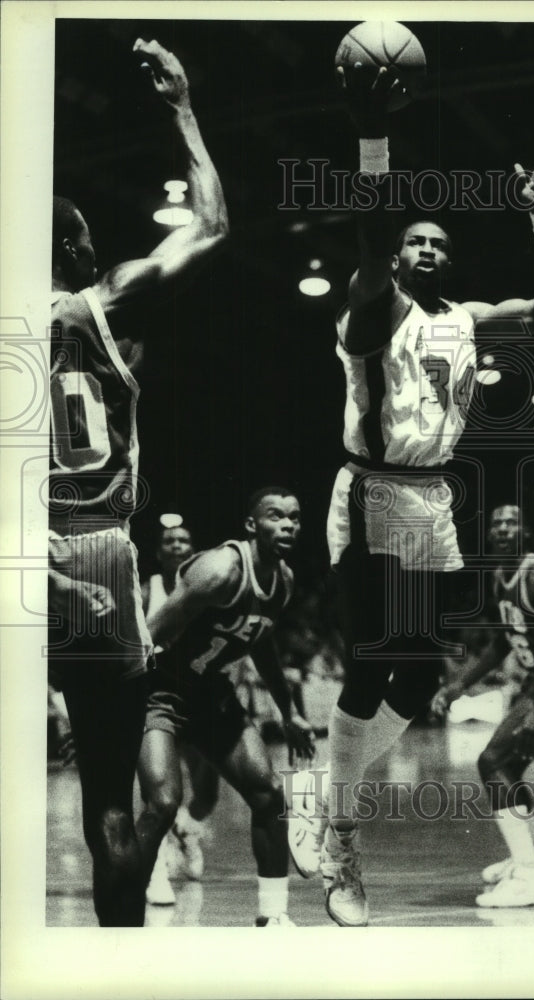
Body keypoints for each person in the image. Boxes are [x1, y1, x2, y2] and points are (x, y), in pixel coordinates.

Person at [314, 62, 534, 927]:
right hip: (371, 490)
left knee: (420, 671)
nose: (426, 250)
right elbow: (369, 232)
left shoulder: (463, 318)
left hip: (432, 501)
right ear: (394, 255)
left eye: (438, 243)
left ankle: (326, 788)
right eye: (413, 241)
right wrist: (371, 130)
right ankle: (339, 836)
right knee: (369, 662)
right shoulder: (371, 305)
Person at [48, 38, 228, 926]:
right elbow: (213, 226)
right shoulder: (101, 301)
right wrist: (182, 108)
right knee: (111, 808)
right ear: (73, 247)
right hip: (93, 553)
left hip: (20, 552)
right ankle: (115, 959)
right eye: (85, 236)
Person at [136, 488, 316, 926]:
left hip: (210, 694)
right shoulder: (220, 570)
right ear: (252, 525)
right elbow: (145, 640)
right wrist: (104, 712)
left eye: (294, 517)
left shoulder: (283, 581)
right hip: (159, 690)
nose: (288, 525)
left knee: (268, 793)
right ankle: (135, 888)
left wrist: (288, 711)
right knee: (164, 803)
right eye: (276, 516)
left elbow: (262, 642)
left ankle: (272, 917)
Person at [432, 504, 534, 907]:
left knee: (493, 761)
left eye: (511, 522)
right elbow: (502, 641)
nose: (502, 528)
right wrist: (459, 685)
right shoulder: (499, 576)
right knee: (506, 766)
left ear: (525, 532)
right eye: (496, 522)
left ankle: (531, 877)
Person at [140, 518, 221, 906]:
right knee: (159, 795)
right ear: (159, 552)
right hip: (158, 699)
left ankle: (186, 830)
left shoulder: (208, 588)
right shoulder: (147, 590)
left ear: (193, 550)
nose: (176, 545)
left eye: (183, 540)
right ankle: (155, 869)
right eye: (169, 541)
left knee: (207, 794)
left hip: (199, 698)